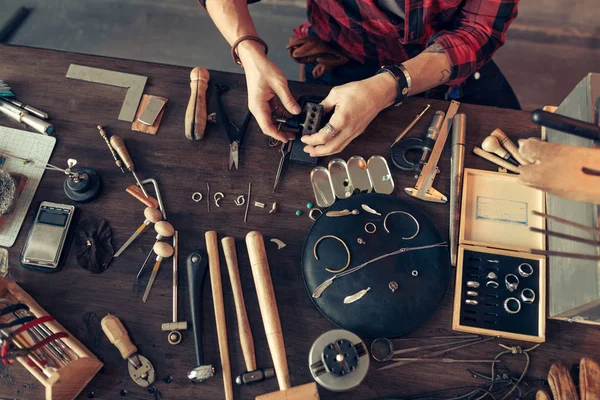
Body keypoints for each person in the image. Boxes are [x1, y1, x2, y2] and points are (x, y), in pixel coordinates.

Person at [199, 0, 520, 156]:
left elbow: (478, 32)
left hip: (446, 62)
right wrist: (250, 54)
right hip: (342, 52)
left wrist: (390, 84)